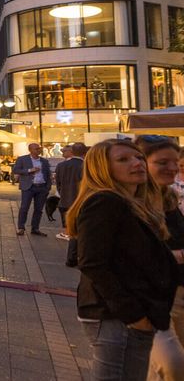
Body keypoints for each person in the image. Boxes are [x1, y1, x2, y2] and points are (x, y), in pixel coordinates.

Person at [69, 139, 178, 381]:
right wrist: (133, 315)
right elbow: (92, 262)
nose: (137, 163)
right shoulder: (104, 201)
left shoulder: (134, 204)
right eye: (123, 159)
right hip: (114, 316)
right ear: (102, 169)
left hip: (131, 313)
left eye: (138, 157)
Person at [136, 136, 184, 381]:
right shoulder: (128, 203)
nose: (173, 168)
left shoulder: (169, 198)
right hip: (153, 298)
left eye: (175, 162)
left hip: (177, 290)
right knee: (173, 363)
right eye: (163, 162)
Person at [13, 142, 52, 236]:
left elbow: (48, 174)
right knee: (24, 207)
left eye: (39, 148)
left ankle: (35, 228)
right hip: (28, 187)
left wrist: (47, 187)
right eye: (36, 149)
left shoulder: (44, 161)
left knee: (38, 209)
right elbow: (16, 170)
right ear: (30, 150)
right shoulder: (23, 159)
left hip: (42, 187)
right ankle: (21, 228)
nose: (39, 150)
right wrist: (30, 170)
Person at [56, 142, 87, 241]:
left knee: (67, 216)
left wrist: (62, 193)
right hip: (80, 198)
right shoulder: (85, 165)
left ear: (72, 152)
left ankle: (68, 233)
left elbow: (58, 183)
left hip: (65, 198)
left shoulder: (61, 165)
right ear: (85, 152)